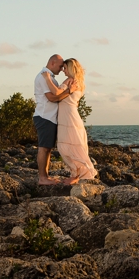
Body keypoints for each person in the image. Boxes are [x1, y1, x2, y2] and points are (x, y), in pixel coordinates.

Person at [43, 57, 97, 184]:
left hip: (68, 117)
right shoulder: (79, 82)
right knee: (73, 145)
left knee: (66, 145)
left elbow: (56, 93)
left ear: (71, 69)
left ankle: (77, 174)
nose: (63, 70)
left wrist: (47, 78)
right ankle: (76, 174)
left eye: (65, 68)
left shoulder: (70, 81)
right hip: (71, 115)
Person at [33, 54, 65, 185]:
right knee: (43, 148)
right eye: (60, 66)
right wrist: (67, 93)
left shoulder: (50, 77)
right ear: (52, 63)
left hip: (49, 117)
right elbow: (51, 98)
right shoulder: (43, 76)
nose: (62, 69)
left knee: (48, 148)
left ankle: (45, 176)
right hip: (44, 116)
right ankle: (42, 178)